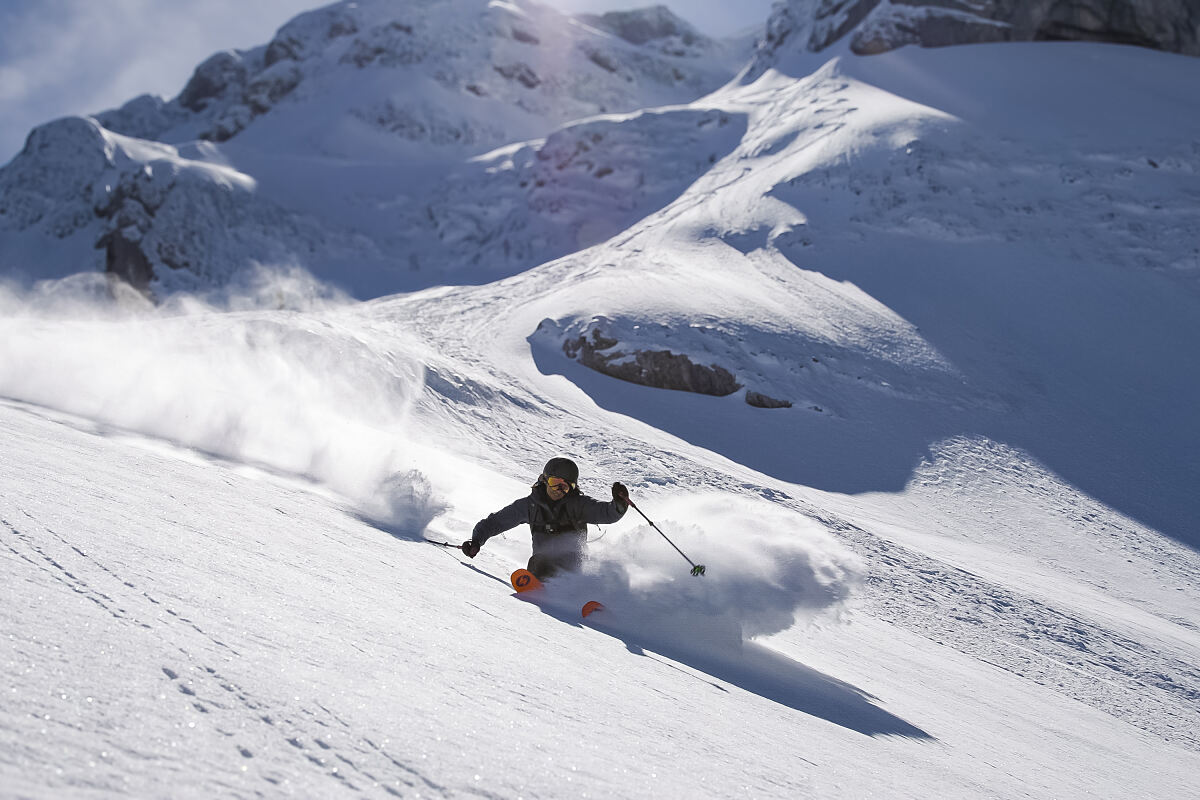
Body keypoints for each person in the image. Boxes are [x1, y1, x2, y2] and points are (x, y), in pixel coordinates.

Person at [461, 457, 629, 579]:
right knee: (540, 562)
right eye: (555, 482)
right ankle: (540, 591)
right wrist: (476, 540)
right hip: (541, 568)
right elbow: (495, 522)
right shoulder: (529, 506)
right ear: (544, 479)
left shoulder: (578, 504)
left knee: (594, 573)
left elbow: (607, 513)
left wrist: (619, 504)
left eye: (566, 486)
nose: (559, 489)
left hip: (575, 568)